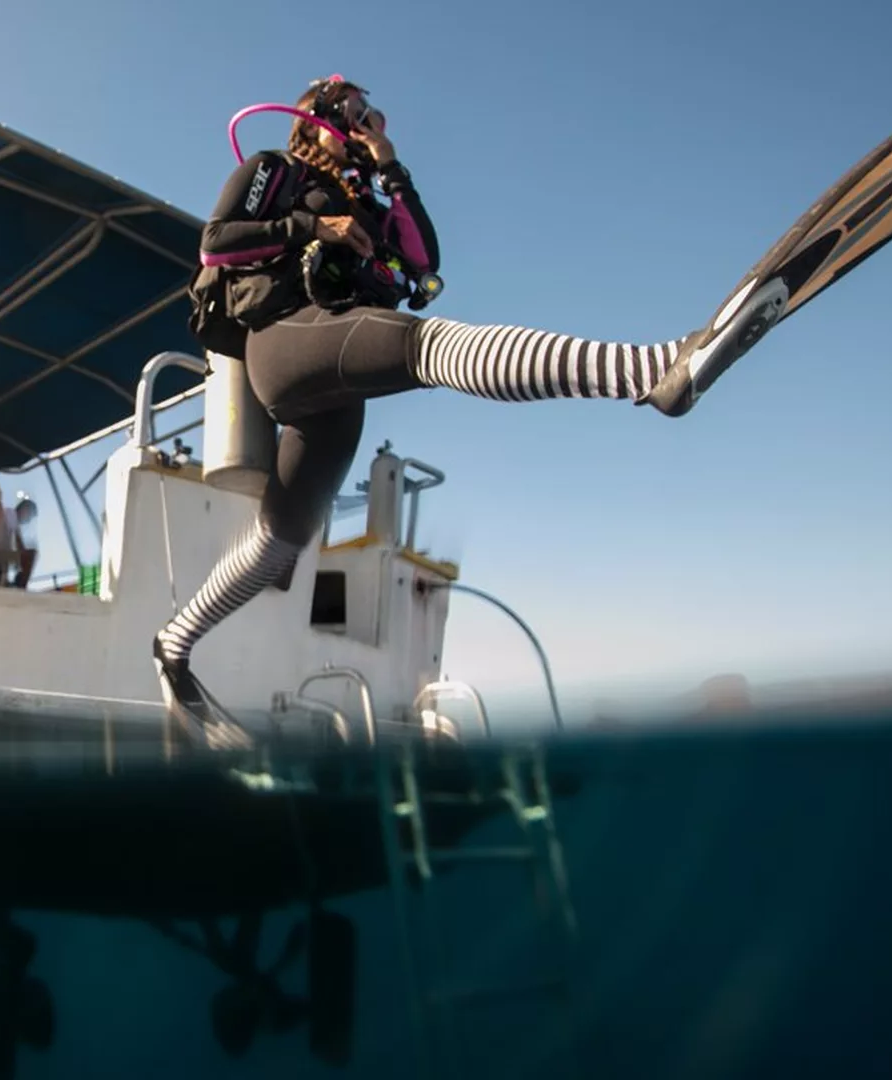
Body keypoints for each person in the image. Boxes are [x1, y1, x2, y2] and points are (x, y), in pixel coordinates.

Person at [157, 75, 789, 748]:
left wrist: (389, 169)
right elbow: (218, 242)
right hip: (285, 342)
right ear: (312, 117)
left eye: (368, 111)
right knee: (427, 348)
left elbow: (424, 259)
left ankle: (172, 646)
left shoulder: (367, 192)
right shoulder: (273, 169)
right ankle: (652, 371)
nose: (364, 116)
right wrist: (312, 223)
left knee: (281, 536)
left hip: (333, 373)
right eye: (350, 107)